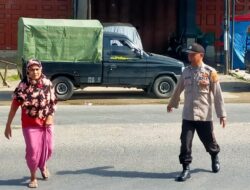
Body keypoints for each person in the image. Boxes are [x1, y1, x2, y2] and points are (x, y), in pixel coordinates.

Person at [167, 43, 227, 182]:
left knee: (209, 142)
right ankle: (186, 169)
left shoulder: (210, 72)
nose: (189, 56)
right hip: (188, 115)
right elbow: (178, 89)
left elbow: (217, 94)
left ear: (201, 55)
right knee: (185, 142)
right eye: (188, 53)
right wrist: (172, 103)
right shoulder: (186, 72)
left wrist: (222, 114)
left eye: (192, 54)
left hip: (204, 115)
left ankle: (214, 156)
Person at [4, 59, 57, 188]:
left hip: (46, 123)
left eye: (37, 69)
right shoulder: (22, 87)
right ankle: (33, 176)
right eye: (32, 70)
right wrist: (8, 125)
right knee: (33, 151)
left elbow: (52, 102)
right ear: (27, 71)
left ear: (41, 69)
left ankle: (43, 165)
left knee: (49, 148)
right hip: (30, 124)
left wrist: (50, 116)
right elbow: (14, 106)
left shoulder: (47, 83)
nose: (35, 72)